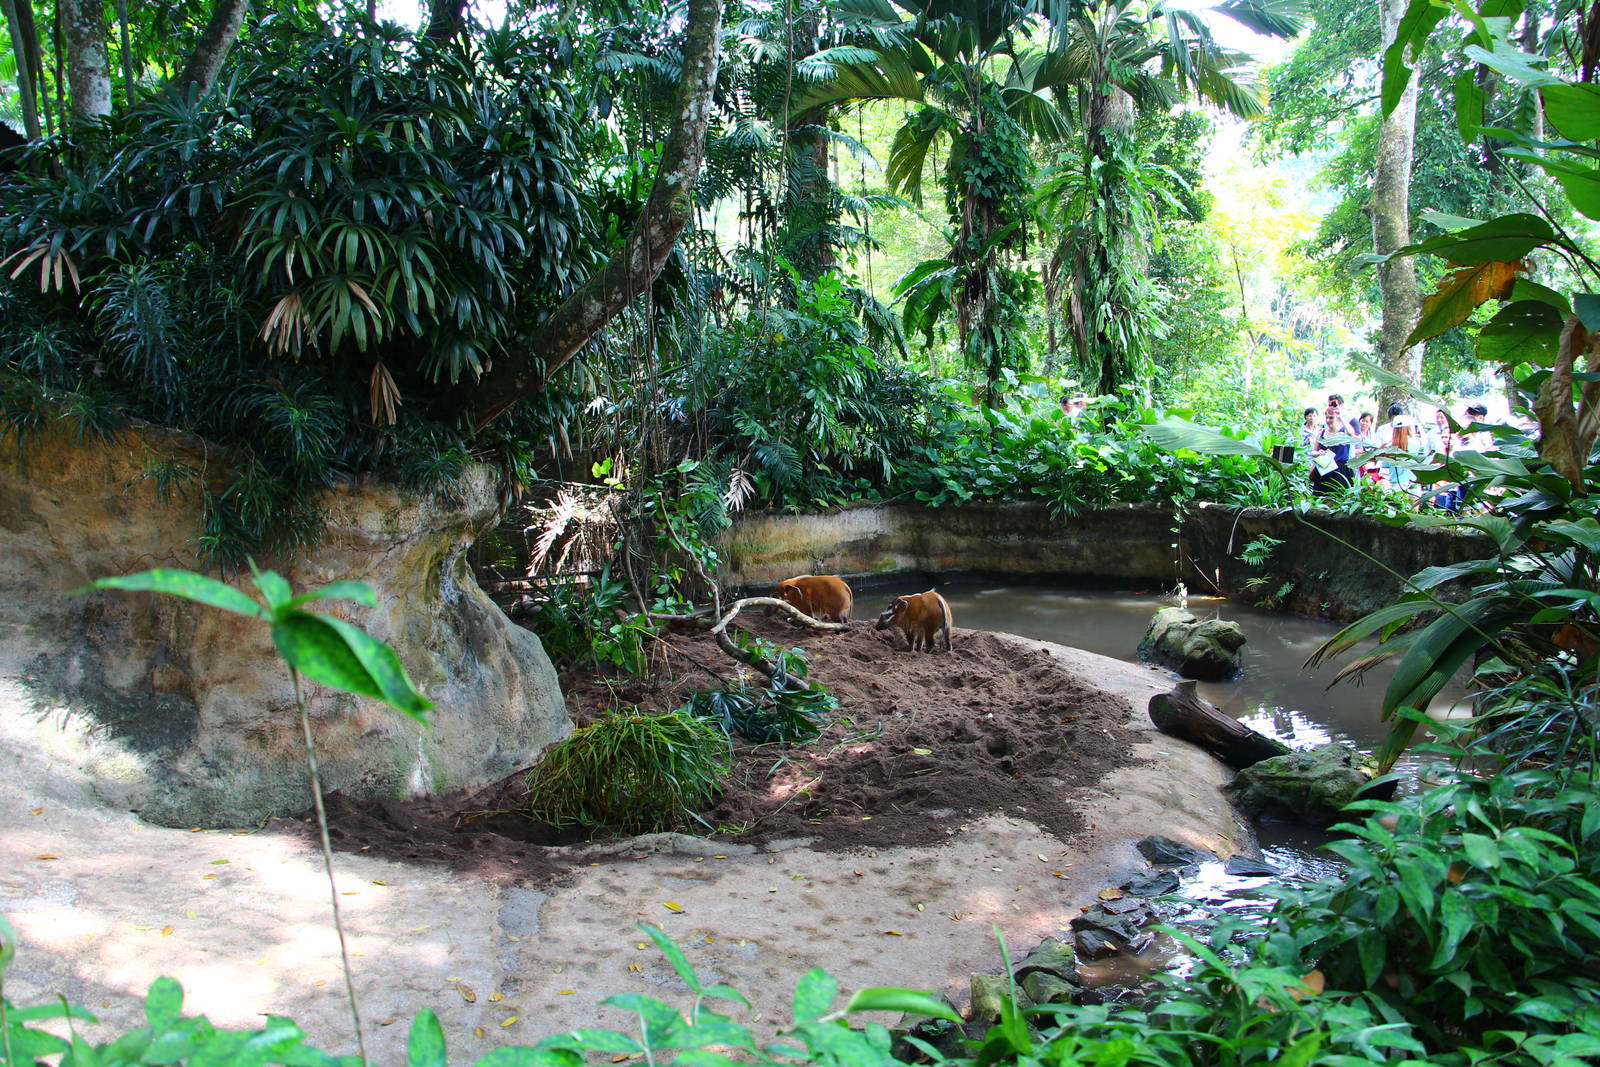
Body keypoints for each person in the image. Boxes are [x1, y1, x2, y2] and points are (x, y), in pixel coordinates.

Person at [1311, 403, 1354, 495]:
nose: (1328, 420)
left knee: (1339, 498)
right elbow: (1313, 451)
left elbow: (1351, 433)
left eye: (1331, 418)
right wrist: (1318, 453)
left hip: (1340, 470)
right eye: (1326, 417)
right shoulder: (1322, 432)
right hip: (1324, 469)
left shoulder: (1343, 432)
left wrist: (1341, 416)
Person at [1380, 403, 1418, 487]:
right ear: (1408, 428)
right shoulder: (1416, 443)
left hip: (1396, 485)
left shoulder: (1390, 447)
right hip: (1413, 483)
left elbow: (1385, 465)